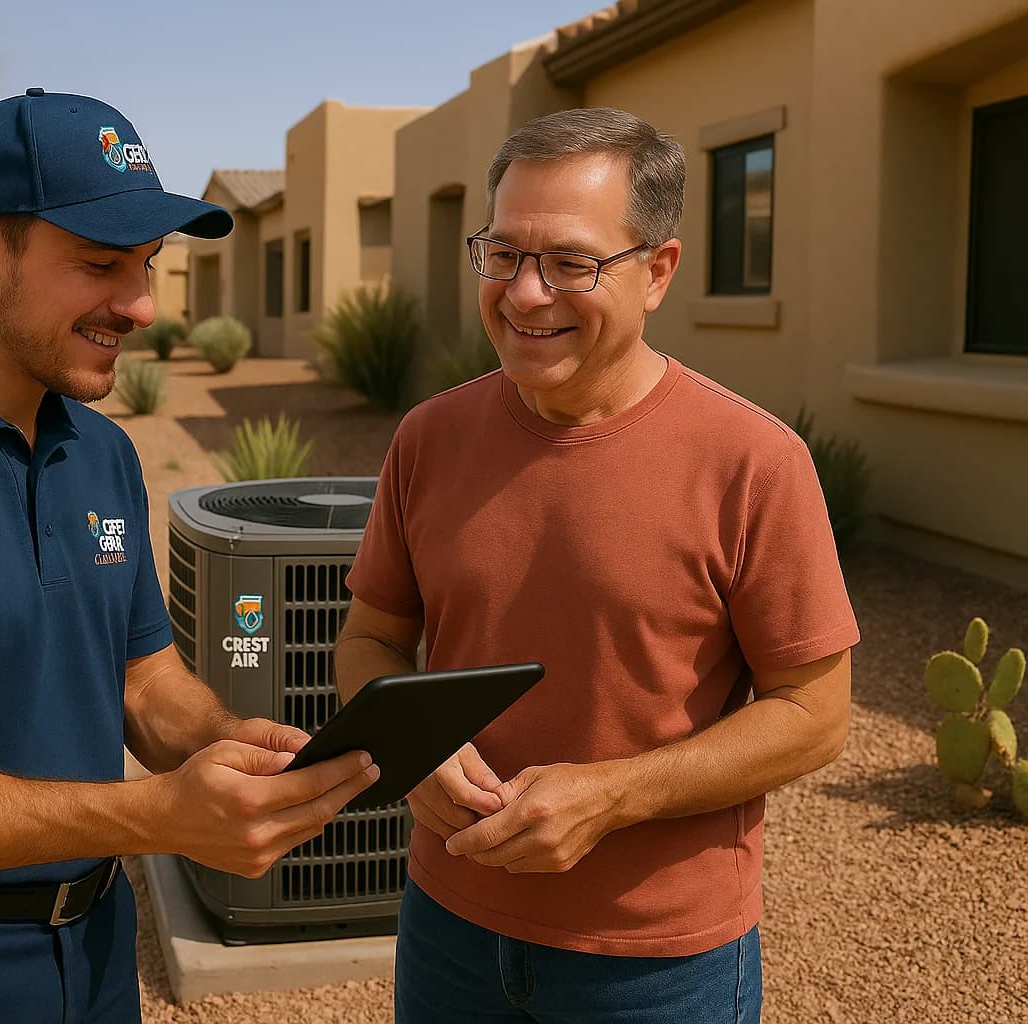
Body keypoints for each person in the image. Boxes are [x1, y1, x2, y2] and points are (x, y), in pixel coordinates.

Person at [0, 89, 378, 1024]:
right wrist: (156, 815)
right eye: (98, 264)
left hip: (92, 954)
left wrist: (225, 747)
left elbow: (142, 682)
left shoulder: (103, 452)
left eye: (148, 265)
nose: (140, 306)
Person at [335, 106, 859, 1024]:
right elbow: (371, 640)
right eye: (502, 255)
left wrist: (613, 795)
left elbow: (815, 717)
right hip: (447, 923)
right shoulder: (429, 438)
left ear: (657, 271)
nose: (525, 293)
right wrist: (411, 756)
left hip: (656, 964)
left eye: (570, 263)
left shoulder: (754, 463)